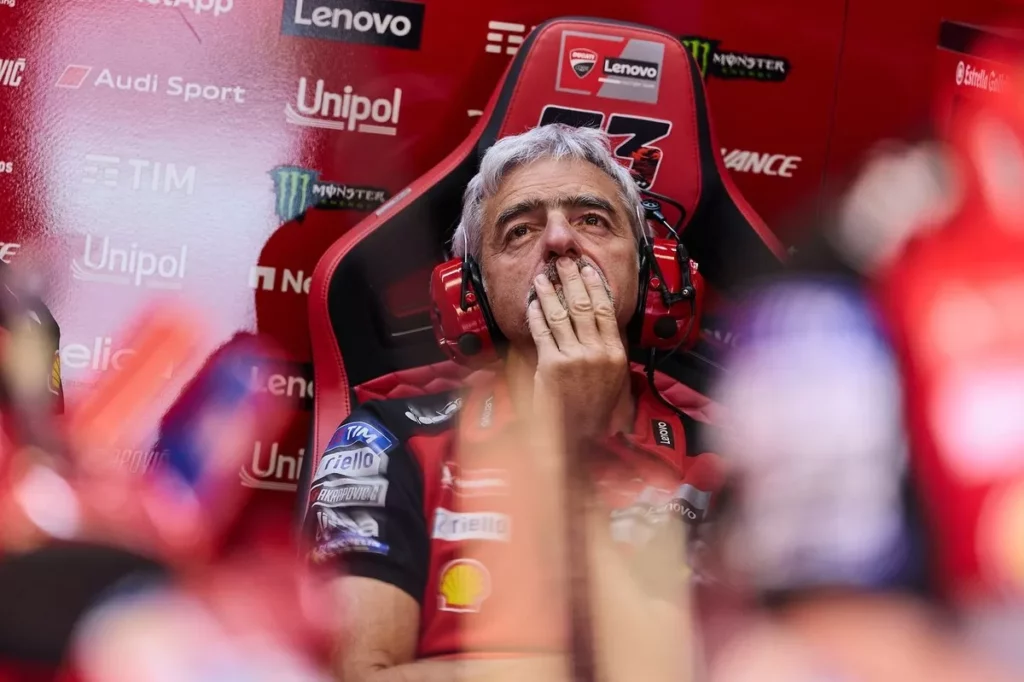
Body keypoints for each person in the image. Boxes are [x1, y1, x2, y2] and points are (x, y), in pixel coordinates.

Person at [298, 124, 721, 682]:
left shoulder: (723, 464)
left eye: (593, 220)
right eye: (520, 231)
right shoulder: (387, 441)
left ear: (650, 269)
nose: (560, 240)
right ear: (470, 293)